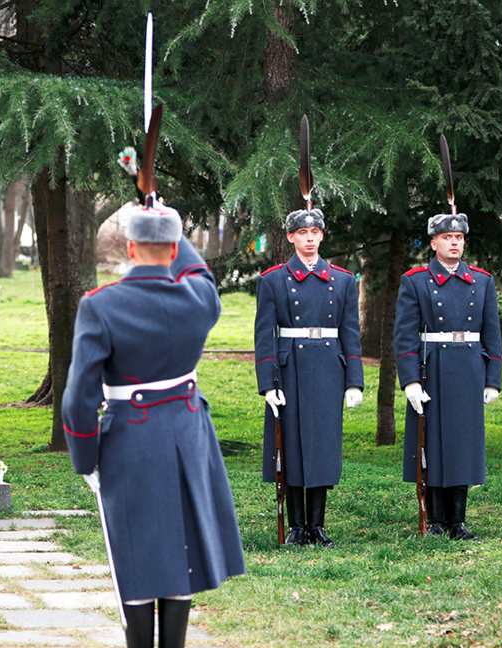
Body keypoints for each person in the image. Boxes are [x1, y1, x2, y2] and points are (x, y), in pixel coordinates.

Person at [61, 204, 245, 648]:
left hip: (131, 439)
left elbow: (78, 399)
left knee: (136, 553)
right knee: (182, 550)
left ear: (129, 247)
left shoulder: (100, 306)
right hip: (188, 434)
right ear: (174, 246)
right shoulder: (200, 298)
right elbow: (198, 270)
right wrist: (169, 221)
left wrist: (86, 459)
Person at [254, 209, 364, 547]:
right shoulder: (273, 279)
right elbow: (264, 336)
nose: (311, 237)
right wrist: (268, 383)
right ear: (290, 237)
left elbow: (350, 333)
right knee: (290, 446)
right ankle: (296, 526)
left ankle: (317, 525)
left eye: (316, 231)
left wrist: (354, 381)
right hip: (290, 370)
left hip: (329, 367)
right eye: (303, 232)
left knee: (322, 447)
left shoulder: (343, 280)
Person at [394, 212, 501, 540]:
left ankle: (458, 521)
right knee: (434, 444)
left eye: (459, 238)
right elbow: (405, 336)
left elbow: (492, 333)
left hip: (469, 368)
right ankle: (435, 520)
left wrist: (492, 378)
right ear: (434, 242)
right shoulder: (415, 280)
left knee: (462, 445)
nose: (454, 243)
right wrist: (410, 380)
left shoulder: (482, 281)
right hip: (433, 368)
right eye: (447, 238)